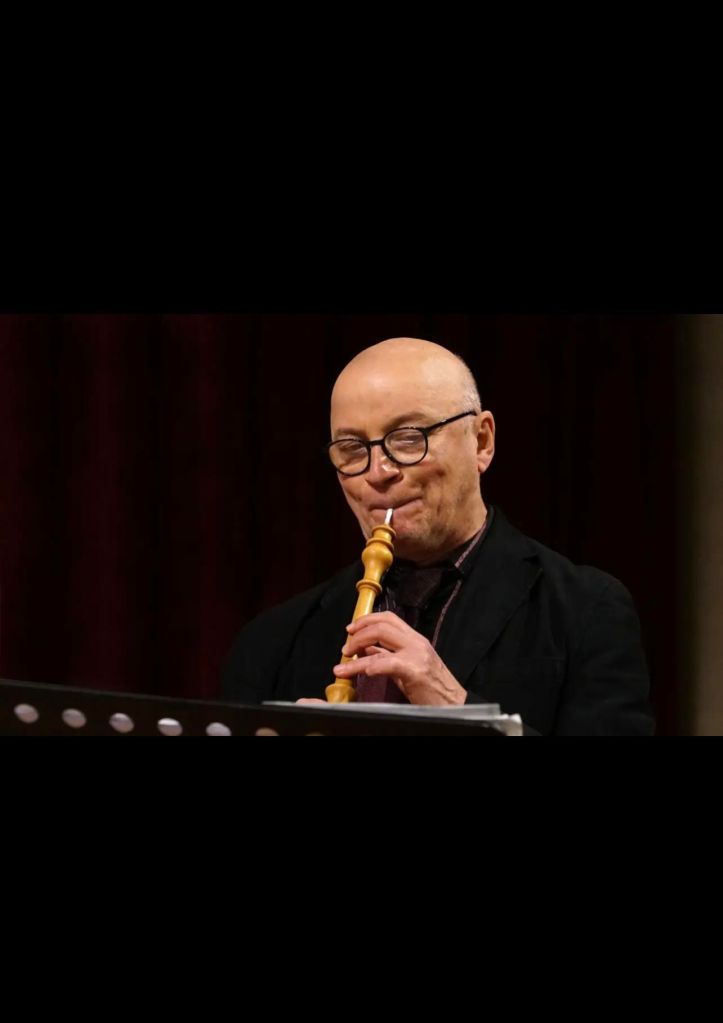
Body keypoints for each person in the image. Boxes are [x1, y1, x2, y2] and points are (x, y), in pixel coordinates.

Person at [222, 337, 654, 735]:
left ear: (481, 442)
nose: (378, 473)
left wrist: (452, 704)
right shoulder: (272, 641)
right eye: (353, 449)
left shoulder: (585, 611)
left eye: (409, 439)